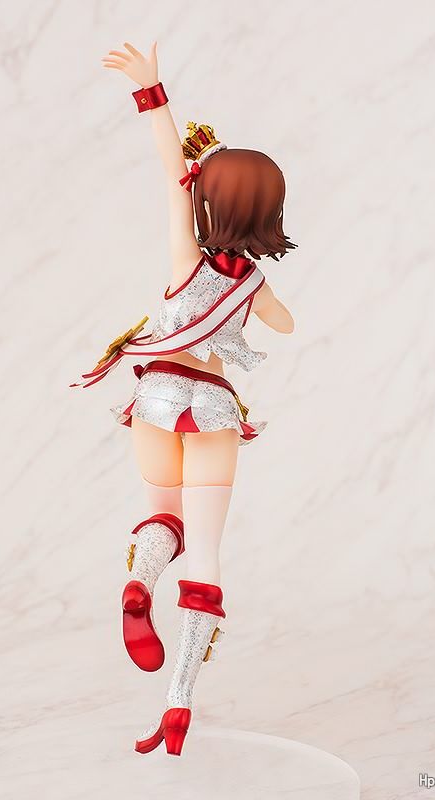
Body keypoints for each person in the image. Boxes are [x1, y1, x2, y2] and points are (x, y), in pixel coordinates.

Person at [79, 40, 295, 756]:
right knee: (204, 549)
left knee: (160, 516)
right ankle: (178, 702)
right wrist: (257, 298)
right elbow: (285, 325)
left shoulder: (183, 257)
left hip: (155, 396)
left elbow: (170, 169)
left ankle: (139, 584)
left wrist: (153, 93)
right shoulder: (253, 285)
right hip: (214, 412)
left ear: (204, 200)